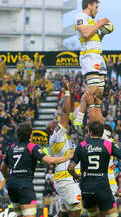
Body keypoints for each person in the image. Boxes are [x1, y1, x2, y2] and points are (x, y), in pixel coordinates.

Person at [1, 121, 74, 217]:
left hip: (11, 186)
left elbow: (2, 167)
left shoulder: (12, 147)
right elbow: (49, 160)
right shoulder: (31, 146)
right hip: (24, 185)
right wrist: (67, 157)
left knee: (20, 215)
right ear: (30, 135)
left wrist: (7, 178)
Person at [68, 121, 121, 217]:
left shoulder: (81, 145)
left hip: (86, 188)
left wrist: (75, 176)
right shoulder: (108, 144)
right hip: (102, 187)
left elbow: (70, 168)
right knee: (113, 214)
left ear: (90, 132)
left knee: (93, 215)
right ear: (102, 133)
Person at [72, 0, 110, 130]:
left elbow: (94, 38)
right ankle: (78, 118)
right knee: (92, 88)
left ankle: (88, 117)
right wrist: (99, 24)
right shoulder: (80, 16)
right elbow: (86, 34)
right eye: (96, 7)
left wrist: (103, 33)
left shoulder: (92, 21)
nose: (97, 10)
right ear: (89, 6)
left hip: (98, 54)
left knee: (99, 91)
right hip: (89, 55)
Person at [46, 78, 82, 217]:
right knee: (76, 210)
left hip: (67, 177)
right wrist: (67, 91)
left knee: (64, 212)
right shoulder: (56, 136)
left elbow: (69, 112)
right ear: (51, 129)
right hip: (67, 178)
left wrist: (72, 95)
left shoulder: (63, 136)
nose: (58, 122)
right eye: (55, 122)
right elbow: (65, 114)